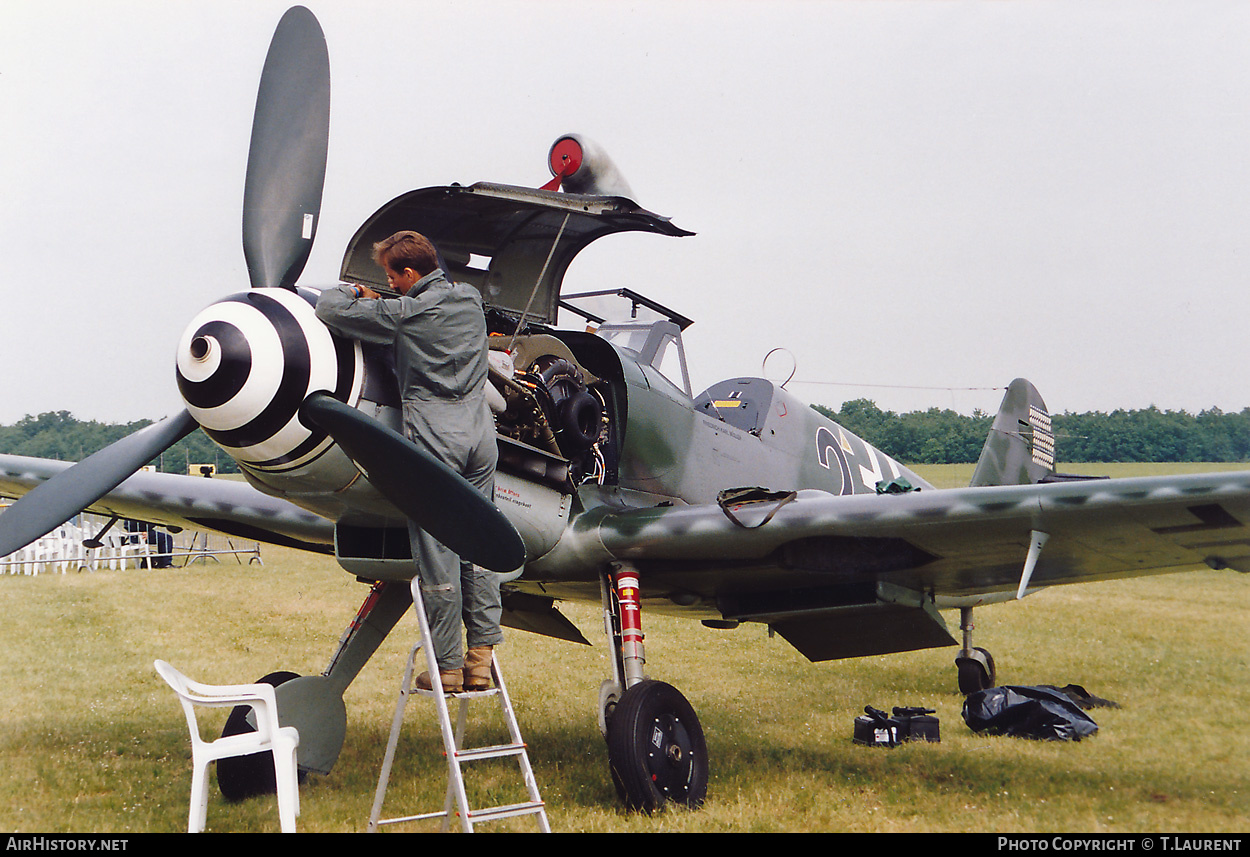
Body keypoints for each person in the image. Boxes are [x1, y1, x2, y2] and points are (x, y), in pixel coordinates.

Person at [315, 231, 502, 693]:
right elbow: (429, 306)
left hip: (438, 439)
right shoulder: (469, 299)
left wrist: (356, 293)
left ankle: (449, 667)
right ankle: (482, 659)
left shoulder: (405, 314)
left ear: (410, 273)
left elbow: (331, 310)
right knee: (481, 545)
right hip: (481, 435)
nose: (390, 285)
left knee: (438, 554)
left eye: (392, 277)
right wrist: (390, 298)